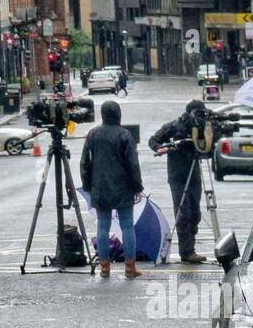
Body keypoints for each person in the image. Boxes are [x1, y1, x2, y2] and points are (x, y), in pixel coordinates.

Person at [79, 100, 144, 279]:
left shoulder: (93, 135)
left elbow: (85, 162)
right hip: (123, 188)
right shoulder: (125, 135)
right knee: (127, 226)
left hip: (100, 187)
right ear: (118, 114)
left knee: (102, 226)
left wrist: (87, 185)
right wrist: (137, 186)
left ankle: (104, 268)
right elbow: (132, 163)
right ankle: (130, 268)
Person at [149, 99, 210, 264]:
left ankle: (191, 248)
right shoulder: (174, 126)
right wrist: (161, 148)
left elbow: (208, 146)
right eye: (198, 114)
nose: (200, 118)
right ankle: (187, 252)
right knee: (183, 214)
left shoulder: (202, 127)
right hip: (178, 176)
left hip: (194, 174)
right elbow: (153, 140)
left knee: (195, 214)